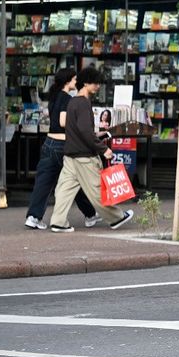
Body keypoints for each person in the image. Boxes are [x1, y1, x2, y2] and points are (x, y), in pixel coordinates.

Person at [47, 67, 135, 233]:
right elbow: (85, 131)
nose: (98, 86)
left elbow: (76, 129)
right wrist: (103, 149)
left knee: (64, 190)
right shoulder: (83, 103)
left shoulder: (73, 101)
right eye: (96, 83)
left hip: (71, 154)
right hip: (84, 156)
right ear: (86, 83)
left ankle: (58, 221)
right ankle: (116, 217)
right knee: (96, 191)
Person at [24, 68, 102, 229]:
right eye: (74, 80)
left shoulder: (54, 96)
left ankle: (33, 216)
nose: (76, 82)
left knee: (44, 183)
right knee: (76, 181)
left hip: (49, 143)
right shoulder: (67, 98)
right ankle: (90, 214)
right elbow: (62, 121)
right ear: (67, 81)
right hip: (62, 145)